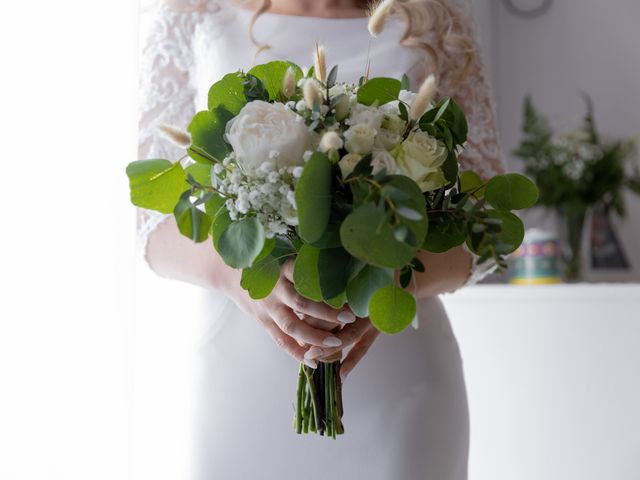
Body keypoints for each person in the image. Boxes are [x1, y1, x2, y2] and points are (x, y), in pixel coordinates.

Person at [136, 0, 503, 478]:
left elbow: (487, 226)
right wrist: (240, 272)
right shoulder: (193, 14)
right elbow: (150, 222)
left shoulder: (434, 21)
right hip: (238, 384)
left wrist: (391, 279)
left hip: (401, 387)